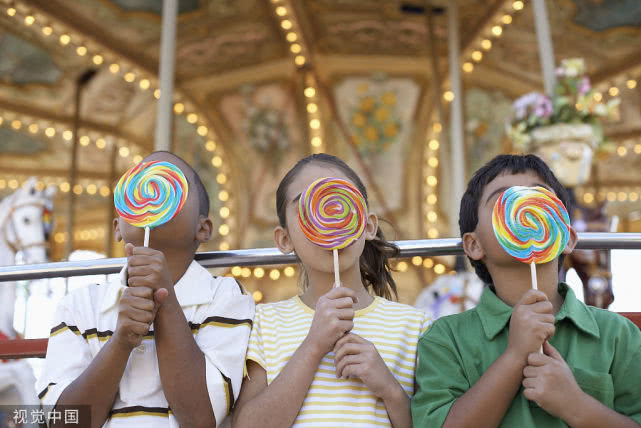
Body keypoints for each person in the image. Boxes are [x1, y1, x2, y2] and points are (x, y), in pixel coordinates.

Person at [411, 154, 641, 427]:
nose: (526, 205)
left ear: (566, 237)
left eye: (538, 196)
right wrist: (515, 355)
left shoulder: (618, 334)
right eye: (503, 199)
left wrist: (575, 405)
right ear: (473, 245)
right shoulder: (445, 339)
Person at [37, 151, 255, 427]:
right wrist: (121, 341)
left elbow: (202, 418)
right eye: (143, 179)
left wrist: (166, 305)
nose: (154, 187)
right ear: (118, 227)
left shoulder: (225, 295)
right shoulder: (80, 305)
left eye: (173, 181)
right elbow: (64, 421)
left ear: (203, 229)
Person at [232, 153, 431, 427]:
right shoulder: (265, 323)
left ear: (368, 226)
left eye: (340, 200)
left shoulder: (415, 326)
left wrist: (389, 389)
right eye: (307, 207)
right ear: (285, 239)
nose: (328, 216)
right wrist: (314, 346)